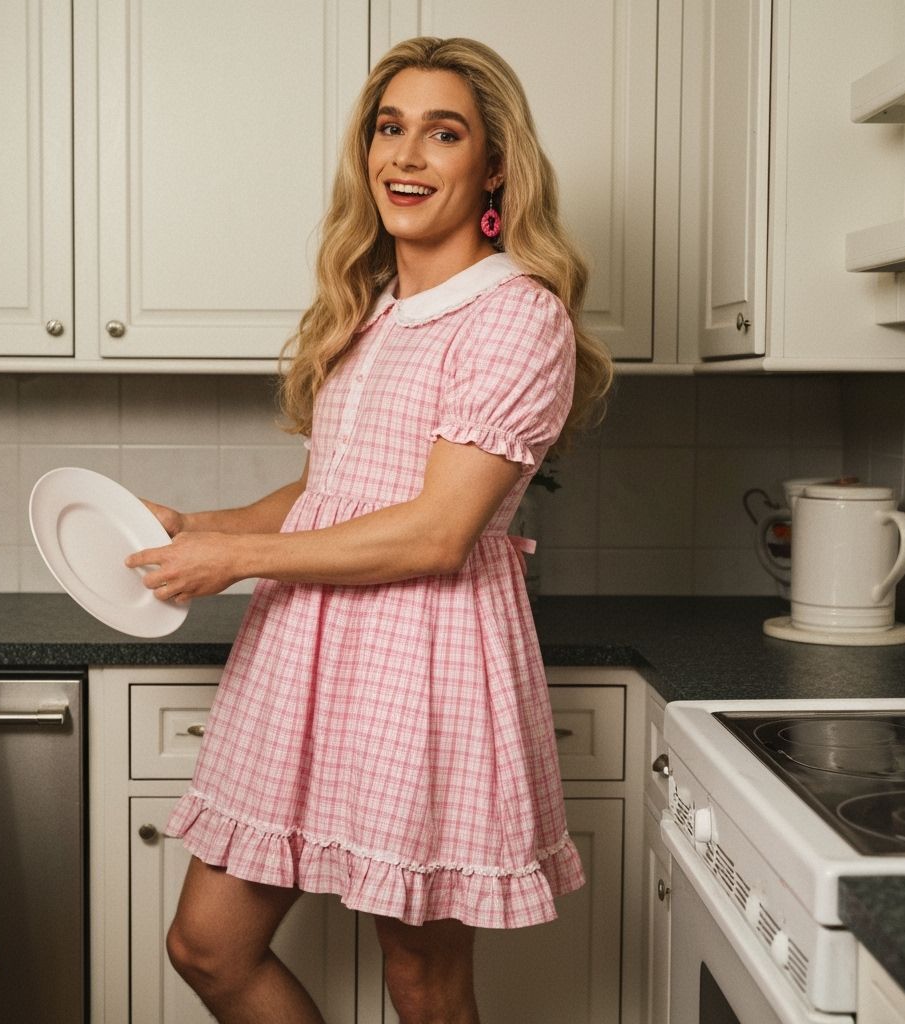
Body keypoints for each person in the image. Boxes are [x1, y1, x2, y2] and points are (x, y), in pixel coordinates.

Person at [125, 35, 613, 1024]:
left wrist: (240, 558)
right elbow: (333, 488)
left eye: (443, 133)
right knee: (208, 946)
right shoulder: (373, 313)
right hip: (307, 655)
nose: (406, 155)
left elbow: (437, 530)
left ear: (493, 166)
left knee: (420, 981)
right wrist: (200, 529)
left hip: (425, 663)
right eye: (389, 128)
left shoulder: (515, 318)